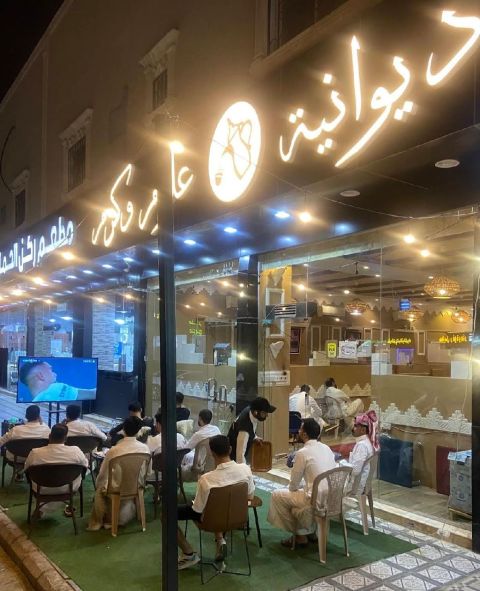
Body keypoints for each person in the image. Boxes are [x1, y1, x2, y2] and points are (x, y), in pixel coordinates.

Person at [175, 434, 255, 570]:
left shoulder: (206, 479)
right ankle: (220, 540)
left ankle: (188, 553)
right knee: (218, 505)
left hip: (211, 521)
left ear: (212, 453)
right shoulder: (245, 469)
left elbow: (197, 510)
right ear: (230, 449)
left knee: (168, 514)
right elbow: (250, 496)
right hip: (238, 518)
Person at [267, 418, 336, 547]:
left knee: (277, 495)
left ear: (304, 434)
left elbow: (293, 485)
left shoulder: (302, 453)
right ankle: (310, 531)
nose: (298, 431)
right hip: (332, 498)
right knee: (300, 493)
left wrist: (297, 488)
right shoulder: (326, 448)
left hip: (314, 499)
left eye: (300, 429)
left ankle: (300, 535)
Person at [88, 416, 150, 531]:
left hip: (115, 489)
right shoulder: (145, 449)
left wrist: (99, 486)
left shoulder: (114, 450)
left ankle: (103, 520)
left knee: (101, 486)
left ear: (123, 430)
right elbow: (148, 472)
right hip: (137, 486)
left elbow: (102, 475)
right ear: (138, 431)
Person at [24, 423, 88, 512]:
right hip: (68, 488)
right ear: (66, 438)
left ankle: (42, 509)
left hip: (42, 488)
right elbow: (85, 467)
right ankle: (45, 509)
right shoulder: (76, 451)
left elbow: (26, 469)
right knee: (78, 473)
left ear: (49, 436)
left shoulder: (35, 452)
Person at [0, 405, 51, 479]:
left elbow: (1, 442)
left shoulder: (16, 430)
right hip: (37, 458)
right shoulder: (47, 429)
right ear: (39, 416)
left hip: (17, 458)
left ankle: (20, 471)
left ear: (26, 416)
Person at [228, 396, 276, 464]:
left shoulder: (251, 410)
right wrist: (243, 469)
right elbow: (240, 455)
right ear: (256, 412)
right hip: (233, 458)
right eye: (264, 413)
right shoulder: (244, 428)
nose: (267, 415)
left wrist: (254, 437)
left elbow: (251, 428)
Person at [19, 361, 95, 402]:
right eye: (51, 370)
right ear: (41, 376)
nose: (55, 374)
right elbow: (92, 394)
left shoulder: (35, 401)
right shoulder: (55, 388)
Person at [345, 410, 379, 494]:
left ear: (363, 430)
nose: (353, 428)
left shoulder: (362, 446)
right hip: (362, 481)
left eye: (356, 426)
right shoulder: (368, 442)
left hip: (356, 485)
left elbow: (355, 470)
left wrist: (341, 465)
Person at [182, 409, 221, 477]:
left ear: (200, 418)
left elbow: (185, 449)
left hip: (202, 467)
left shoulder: (198, 434)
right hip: (217, 463)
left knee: (184, 464)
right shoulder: (216, 429)